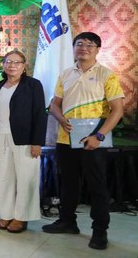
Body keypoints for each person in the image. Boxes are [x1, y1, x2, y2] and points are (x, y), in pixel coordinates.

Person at [42, 32, 124, 250]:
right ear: (74, 48)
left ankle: (100, 232)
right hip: (65, 138)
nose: (84, 47)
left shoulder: (107, 75)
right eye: (79, 44)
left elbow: (117, 110)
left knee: (97, 186)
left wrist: (99, 135)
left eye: (90, 44)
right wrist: (60, 119)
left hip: (94, 140)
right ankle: (68, 221)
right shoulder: (66, 74)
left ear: (97, 49)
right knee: (68, 183)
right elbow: (54, 104)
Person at [0, 50, 46, 233]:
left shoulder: (33, 85)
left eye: (17, 62)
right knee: (3, 177)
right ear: (3, 65)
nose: (12, 65)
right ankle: (6, 213)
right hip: (2, 137)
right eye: (9, 62)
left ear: (24, 67)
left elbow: (40, 115)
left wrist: (37, 142)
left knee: (26, 178)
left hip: (25, 139)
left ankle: (21, 217)